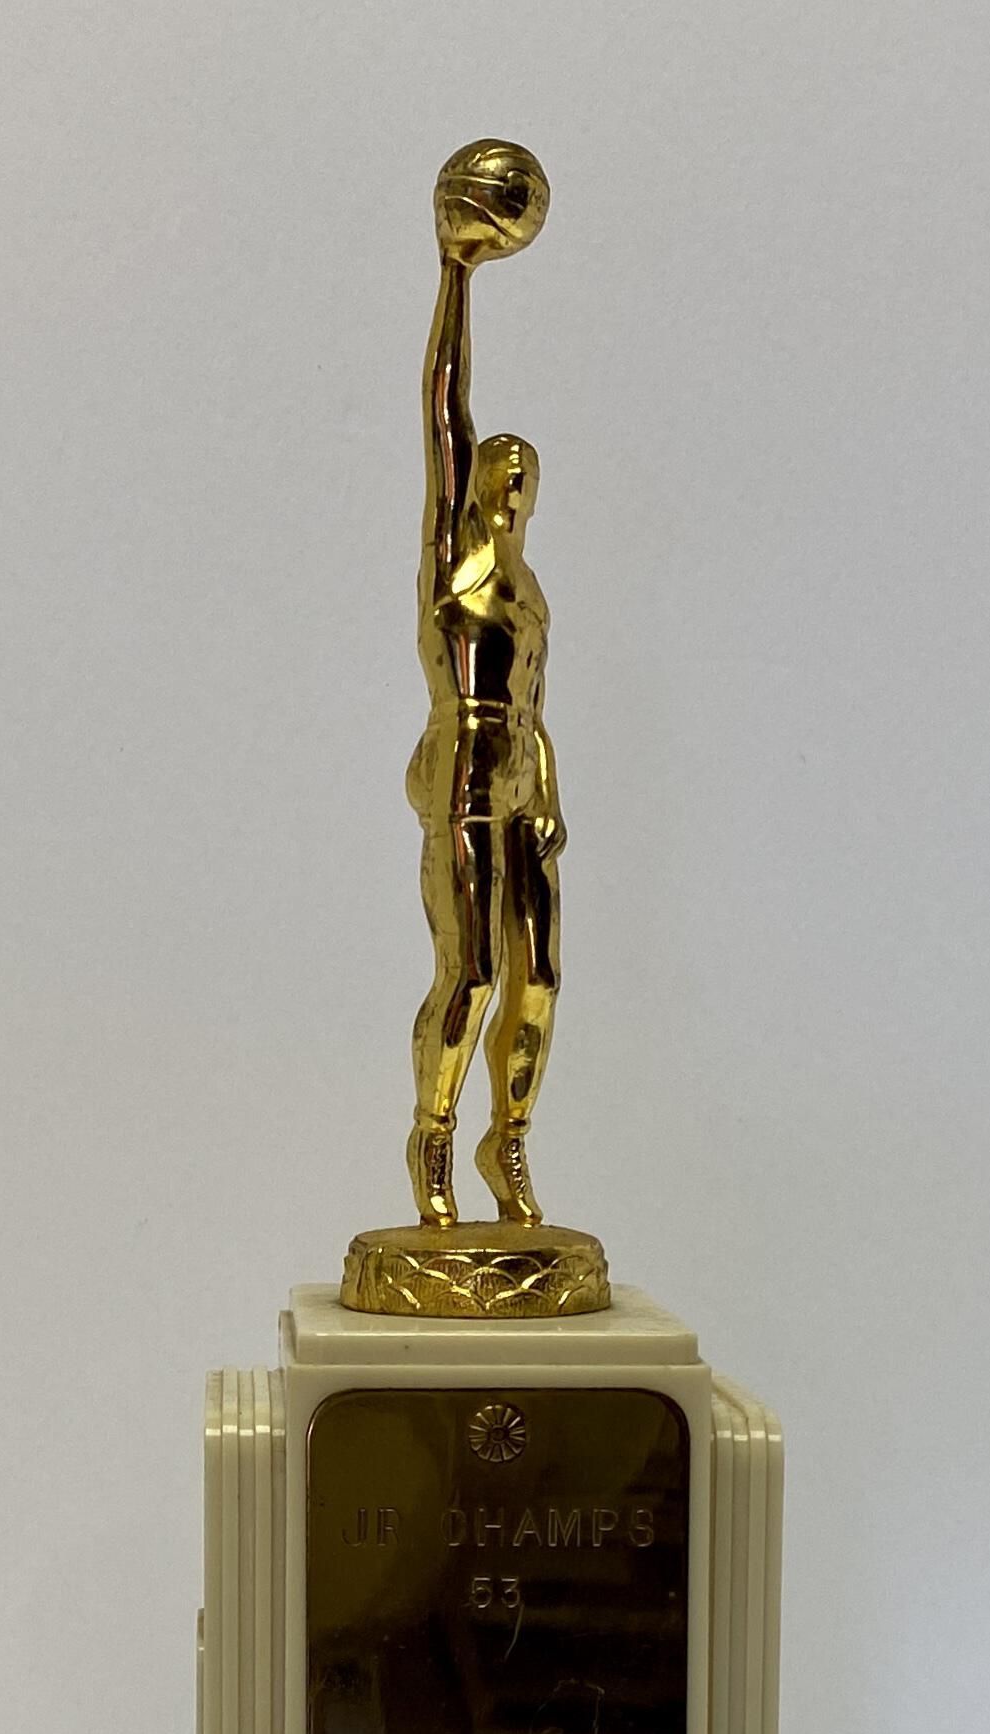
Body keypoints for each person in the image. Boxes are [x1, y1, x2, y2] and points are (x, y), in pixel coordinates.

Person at [404, 236, 564, 1230]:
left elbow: (537, 702)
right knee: (469, 973)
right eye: (498, 470)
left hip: (524, 784)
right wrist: (454, 276)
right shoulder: (453, 561)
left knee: (536, 979)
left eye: (523, 476)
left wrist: (547, 791)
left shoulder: (530, 589)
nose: (509, 485)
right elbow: (443, 407)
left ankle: (507, 1140)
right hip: (462, 771)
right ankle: (432, 1132)